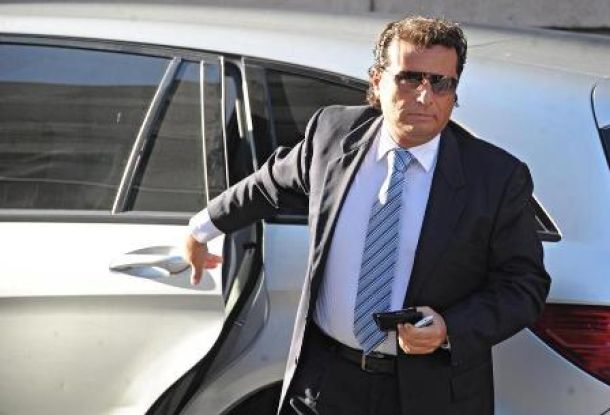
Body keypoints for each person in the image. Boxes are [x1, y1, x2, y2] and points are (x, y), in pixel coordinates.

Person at [185, 16, 550, 415]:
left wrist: (450, 328)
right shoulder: (333, 134)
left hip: (430, 395)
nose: (425, 96)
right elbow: (270, 183)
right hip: (324, 384)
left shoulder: (494, 177)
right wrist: (201, 228)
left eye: (440, 83)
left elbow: (524, 286)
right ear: (377, 80)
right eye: (409, 78)